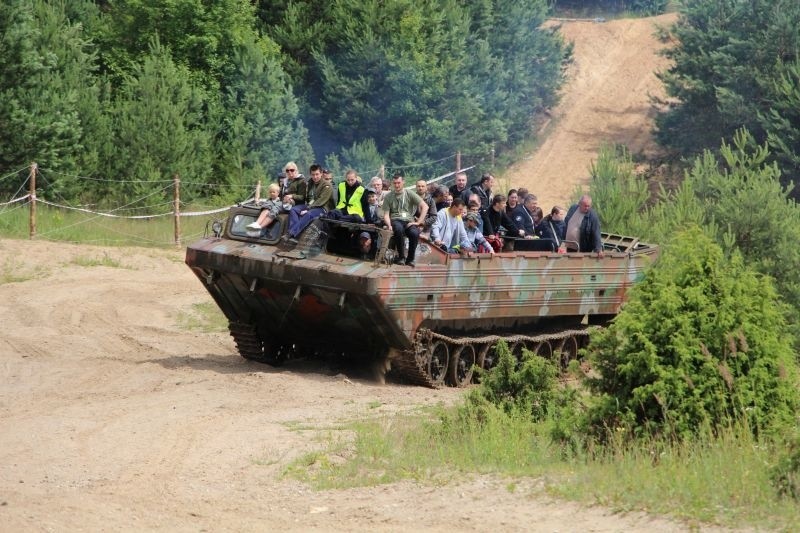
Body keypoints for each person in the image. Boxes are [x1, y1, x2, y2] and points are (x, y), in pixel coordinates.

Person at [383, 173, 428, 267]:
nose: (397, 185)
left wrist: (418, 222)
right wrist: (389, 225)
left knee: (415, 233)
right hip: (396, 219)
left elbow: (425, 206)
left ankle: (410, 259)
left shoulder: (409, 193)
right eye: (394, 183)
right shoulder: (388, 196)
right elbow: (386, 214)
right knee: (398, 229)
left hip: (408, 220)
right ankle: (401, 257)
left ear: (403, 182)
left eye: (399, 182)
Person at [284, 164, 334, 243]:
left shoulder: (327, 185)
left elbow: (321, 201)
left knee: (309, 214)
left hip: (322, 208)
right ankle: (294, 235)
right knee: (294, 210)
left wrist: (308, 209)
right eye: (313, 174)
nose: (315, 177)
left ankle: (291, 233)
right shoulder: (310, 183)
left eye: (317, 174)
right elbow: (308, 197)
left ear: (321, 174)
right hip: (310, 205)